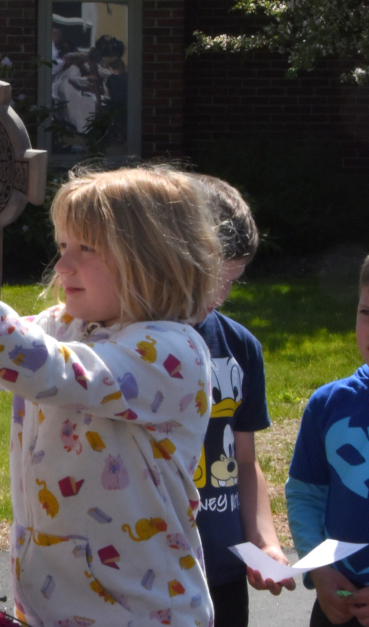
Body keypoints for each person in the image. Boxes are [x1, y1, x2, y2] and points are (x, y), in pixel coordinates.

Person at [0, 165, 221, 626]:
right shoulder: (65, 326)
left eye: (86, 248)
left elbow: (47, 368)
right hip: (50, 607)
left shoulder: (172, 352)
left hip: (143, 612)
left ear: (150, 258)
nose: (63, 266)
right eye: (63, 246)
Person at [190, 175, 294, 625]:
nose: (218, 296)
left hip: (225, 573)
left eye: (230, 282)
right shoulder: (135, 343)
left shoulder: (241, 346)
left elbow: (245, 461)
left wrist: (264, 542)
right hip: (156, 573)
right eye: (208, 279)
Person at [285, 255, 369, 627]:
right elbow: (305, 494)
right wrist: (319, 570)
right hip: (338, 606)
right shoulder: (328, 404)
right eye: (366, 313)